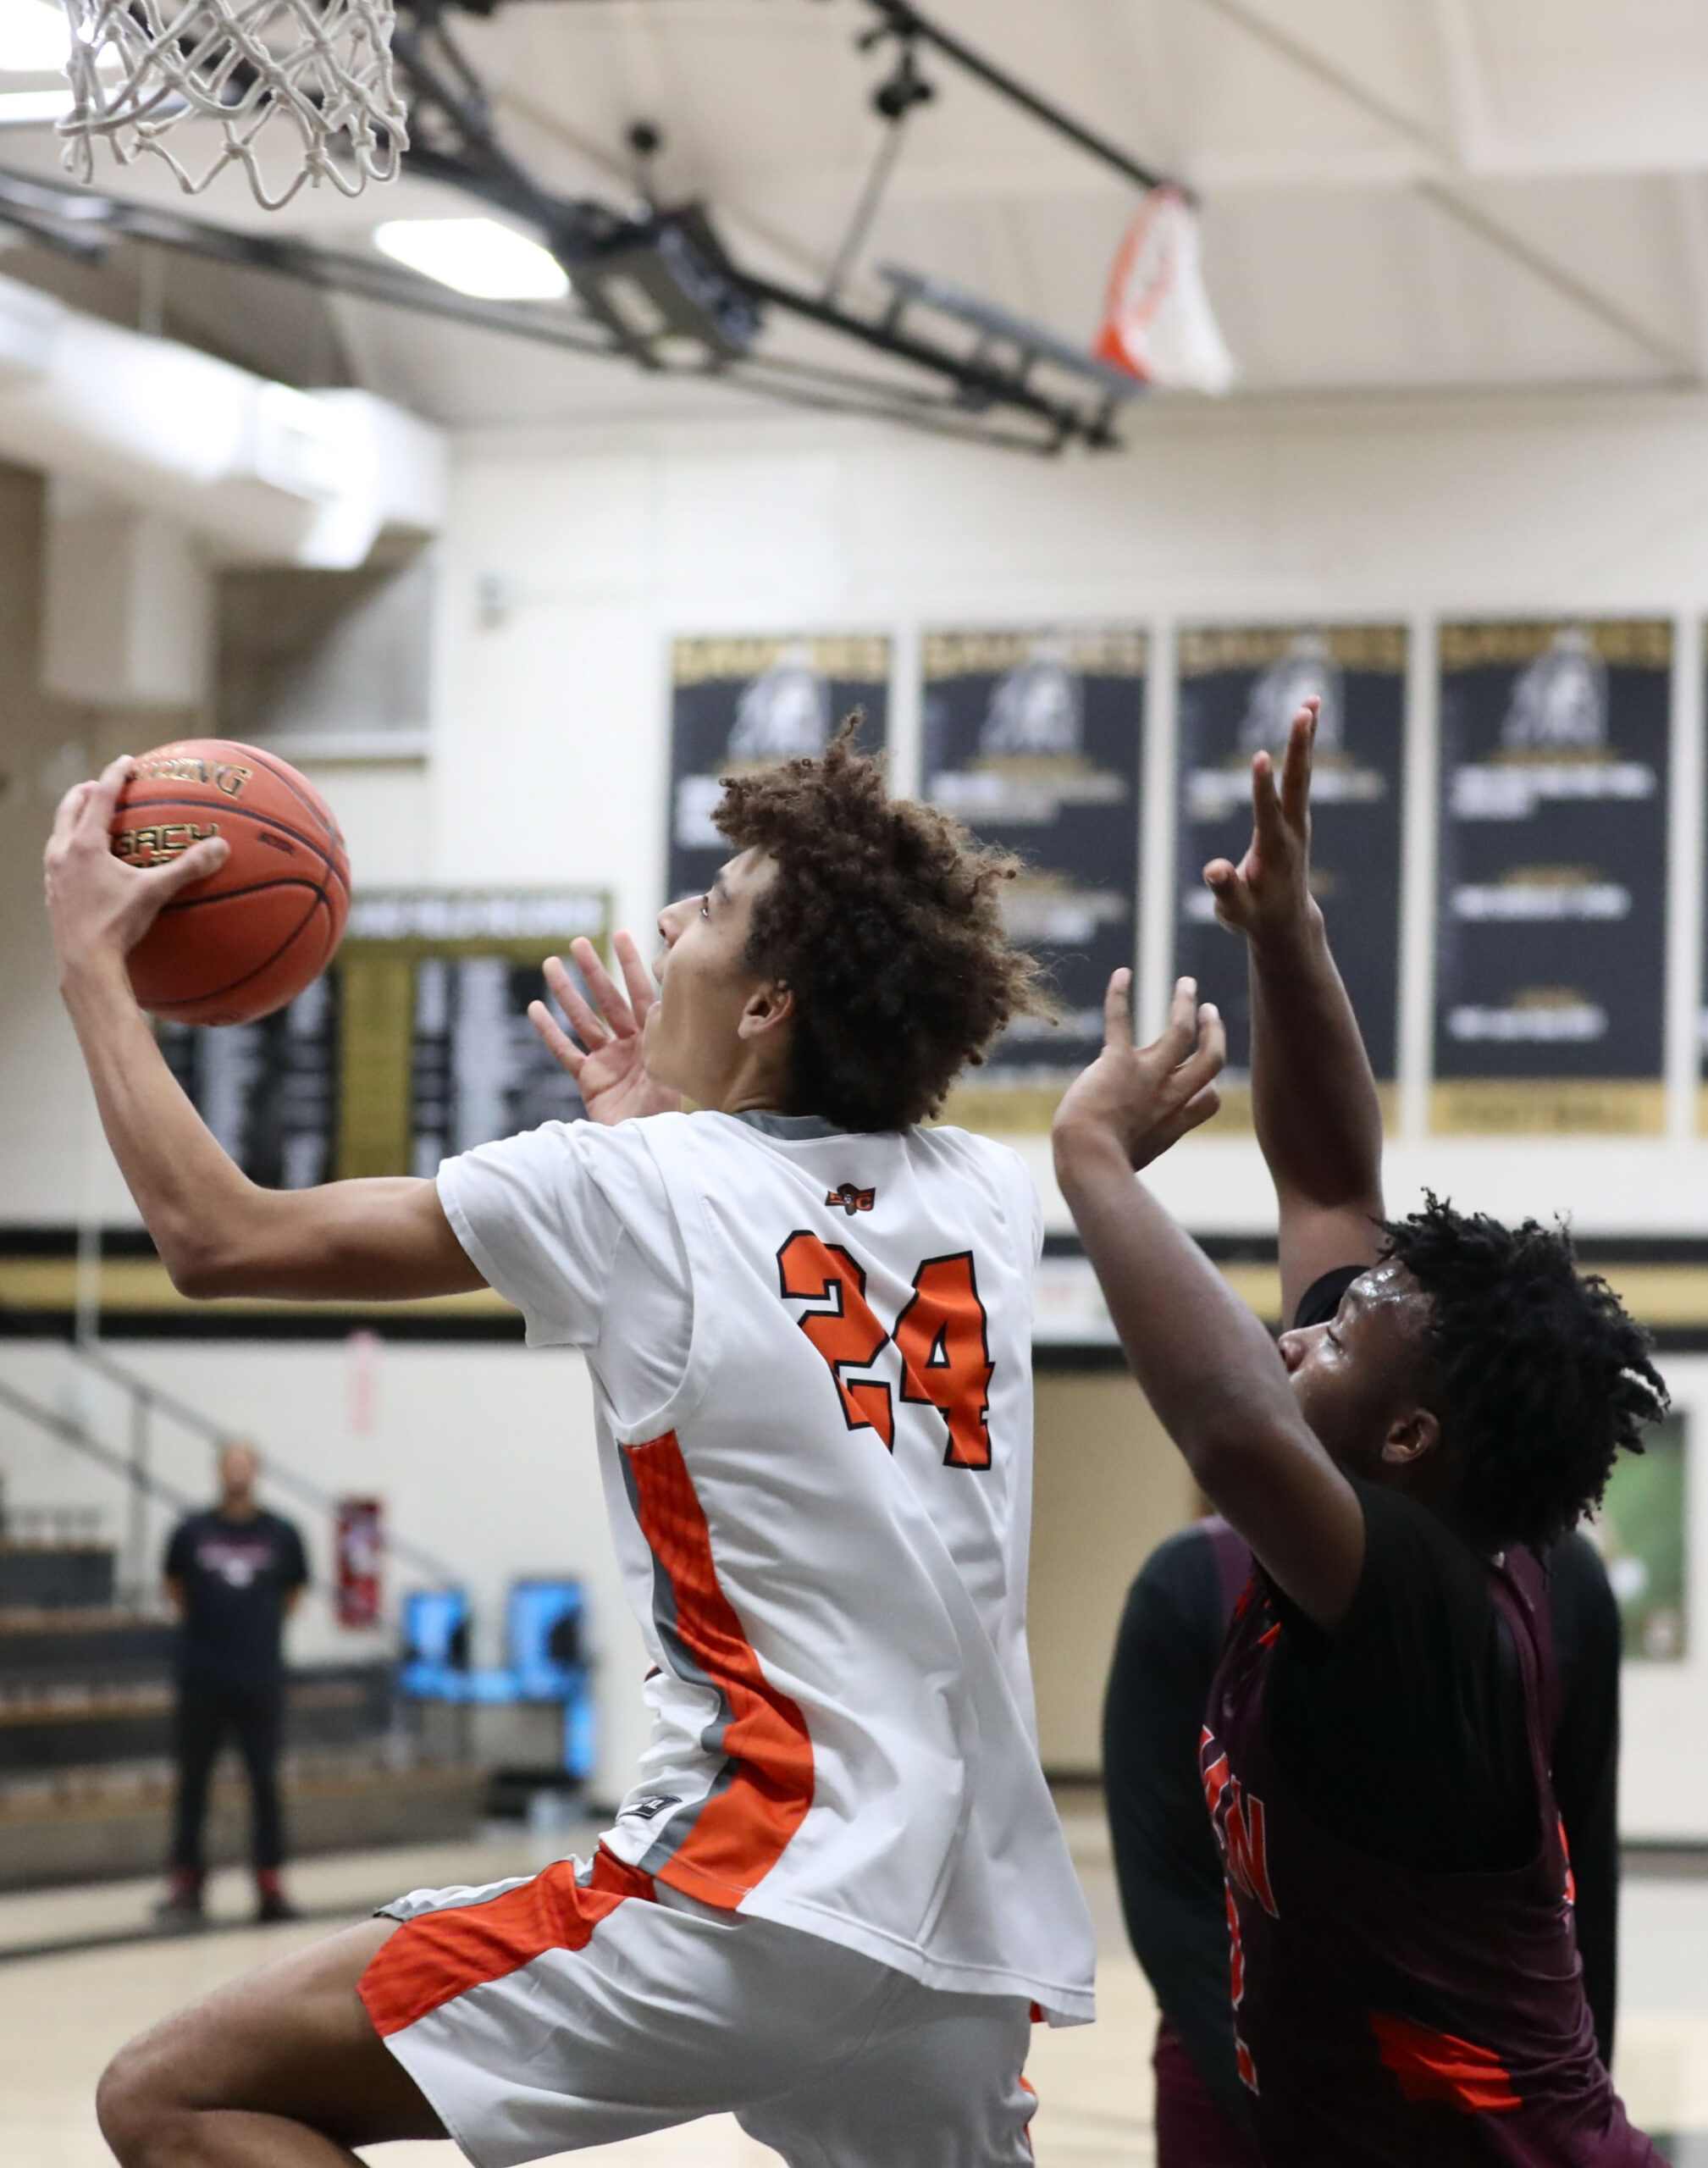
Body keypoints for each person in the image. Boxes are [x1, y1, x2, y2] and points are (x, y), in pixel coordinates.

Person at [45, 724, 1094, 2168]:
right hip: (964, 1925)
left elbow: (216, 1239)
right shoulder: (985, 1193)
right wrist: (680, 1127)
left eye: (710, 907)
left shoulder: (633, 1189)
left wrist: (91, 968)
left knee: (175, 2094)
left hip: (752, 1885)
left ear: (768, 1001)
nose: (666, 922)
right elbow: (783, 1242)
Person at [1053, 699, 1663, 2165]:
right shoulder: (1409, 1485)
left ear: (1405, 1440)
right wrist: (1287, 934)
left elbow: (1232, 1430)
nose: (1300, 1330)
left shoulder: (1421, 1614)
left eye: (1332, 1340)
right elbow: (1329, 1183)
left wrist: (1092, 1164)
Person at [1104, 1511, 1622, 2166]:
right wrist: (1291, 2116)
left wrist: (1579, 2103)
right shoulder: (1189, 1581)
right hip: (1244, 2076)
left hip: (1490, 2080)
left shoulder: (1564, 1579)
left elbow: (1586, 1874)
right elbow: (1169, 1901)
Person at [159, 1440, 309, 1927]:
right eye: (231, 1463)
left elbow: (293, 1595)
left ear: (256, 1471)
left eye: (246, 1464)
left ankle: (269, 1882)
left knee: (265, 1782)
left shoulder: (282, 1533)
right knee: (193, 1781)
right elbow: (175, 1589)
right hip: (202, 1676)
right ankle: (187, 1883)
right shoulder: (191, 1531)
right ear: (219, 1470)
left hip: (259, 1677)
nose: (238, 1472)